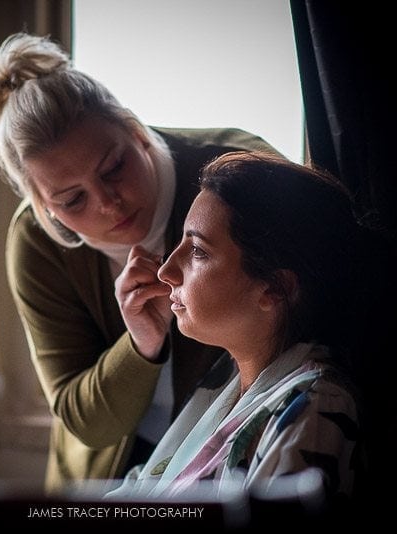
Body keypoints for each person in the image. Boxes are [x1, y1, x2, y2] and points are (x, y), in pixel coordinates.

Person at [0, 33, 280, 492]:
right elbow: (85, 421)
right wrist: (140, 345)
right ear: (44, 208)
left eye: (114, 168)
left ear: (138, 132)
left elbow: (308, 316)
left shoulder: (238, 171)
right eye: (72, 200)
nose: (108, 204)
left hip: (234, 452)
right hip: (107, 478)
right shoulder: (37, 242)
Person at [108, 151, 362, 501]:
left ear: (275, 288)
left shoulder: (314, 408)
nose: (166, 271)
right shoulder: (224, 380)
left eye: (197, 251)